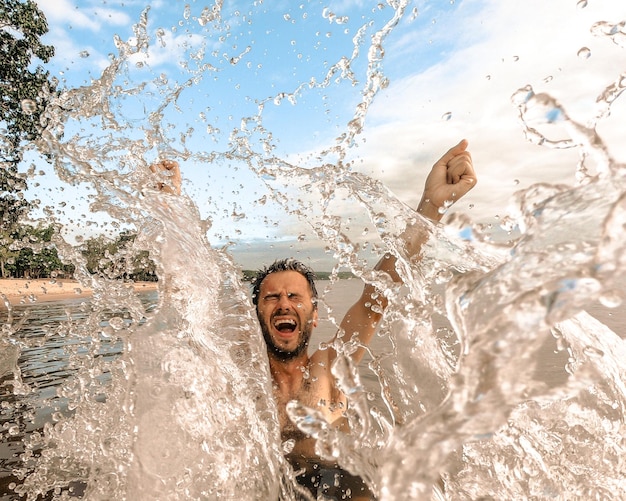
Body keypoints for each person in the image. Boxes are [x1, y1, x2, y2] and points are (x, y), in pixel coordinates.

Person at [150, 140, 477, 500]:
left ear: (314, 315)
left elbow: (375, 298)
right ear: (257, 312)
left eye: (295, 297)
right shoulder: (242, 373)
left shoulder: (331, 367)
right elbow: (188, 298)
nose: (283, 304)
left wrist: (431, 207)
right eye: (271, 297)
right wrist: (170, 210)